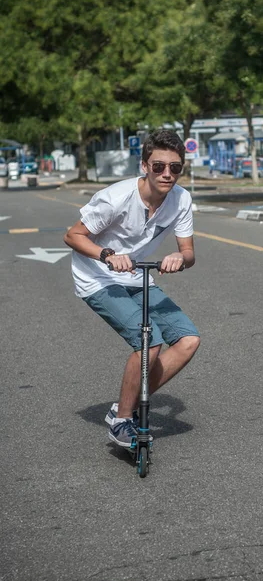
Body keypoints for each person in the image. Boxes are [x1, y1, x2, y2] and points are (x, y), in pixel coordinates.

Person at [64, 129, 200, 448]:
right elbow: (72, 236)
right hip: (96, 277)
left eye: (175, 168)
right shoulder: (117, 197)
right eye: (158, 166)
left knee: (188, 339)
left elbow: (190, 253)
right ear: (144, 166)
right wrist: (107, 255)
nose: (167, 174)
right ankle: (123, 422)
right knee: (149, 340)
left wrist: (180, 257)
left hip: (135, 276)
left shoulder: (181, 199)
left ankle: (123, 407)